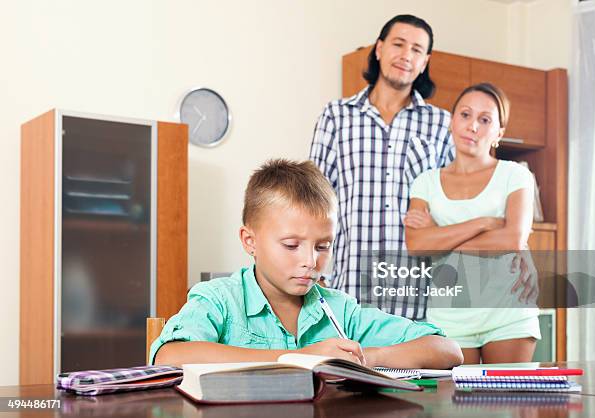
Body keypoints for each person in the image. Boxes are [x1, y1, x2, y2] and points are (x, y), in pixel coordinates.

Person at [150, 159, 463, 369]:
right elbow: (169, 356)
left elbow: (447, 349)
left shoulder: (341, 311)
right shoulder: (218, 299)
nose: (310, 261)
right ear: (250, 241)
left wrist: (367, 357)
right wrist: (298, 358)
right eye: (291, 245)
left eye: (323, 246)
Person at [309, 14, 454, 320]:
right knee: (349, 368)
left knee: (418, 370)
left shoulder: (441, 124)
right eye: (398, 44)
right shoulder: (337, 116)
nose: (406, 55)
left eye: (417, 50)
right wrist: (314, 267)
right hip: (350, 287)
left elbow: (454, 202)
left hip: (418, 291)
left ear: (425, 61)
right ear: (379, 49)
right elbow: (314, 201)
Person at [404, 83, 541, 364]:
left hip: (508, 309)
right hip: (449, 315)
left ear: (498, 133)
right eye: (465, 115)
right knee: (452, 406)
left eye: (485, 119)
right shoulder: (425, 183)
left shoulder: (515, 176)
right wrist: (484, 222)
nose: (473, 126)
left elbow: (512, 239)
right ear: (452, 121)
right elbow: (416, 245)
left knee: (508, 404)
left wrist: (439, 238)